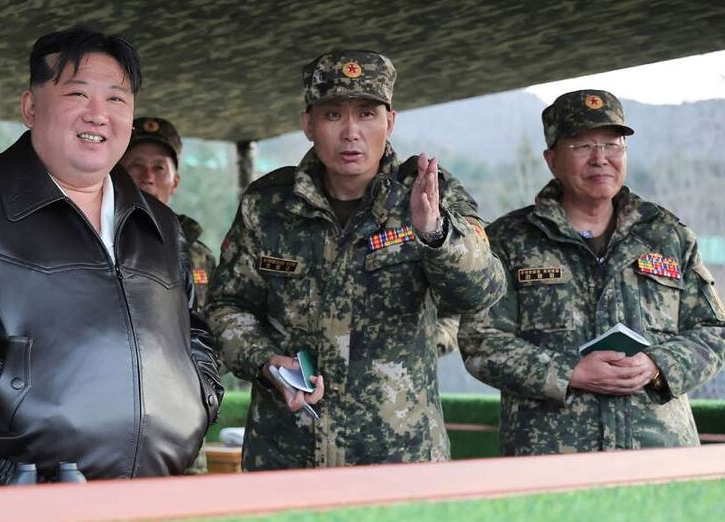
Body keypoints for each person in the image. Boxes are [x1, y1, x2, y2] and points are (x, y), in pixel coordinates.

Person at [0, 26, 222, 487]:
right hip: (9, 489)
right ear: (30, 107)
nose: (99, 115)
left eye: (116, 99)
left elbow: (191, 329)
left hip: (150, 493)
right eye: (78, 94)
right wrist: (4, 392)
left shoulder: (160, 222)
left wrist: (202, 393)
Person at [207, 50, 505, 470]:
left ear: (390, 122)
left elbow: (483, 291)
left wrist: (434, 233)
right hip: (287, 455)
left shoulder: (430, 193)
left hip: (400, 460)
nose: (351, 133)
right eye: (333, 115)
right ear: (308, 124)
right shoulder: (268, 205)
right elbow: (227, 307)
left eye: (367, 114)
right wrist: (266, 360)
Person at [459, 89, 725, 455]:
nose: (600, 159)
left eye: (613, 145)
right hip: (551, 455)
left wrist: (657, 365)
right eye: (582, 146)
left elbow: (714, 331)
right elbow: (480, 341)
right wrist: (570, 372)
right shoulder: (509, 240)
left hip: (658, 454)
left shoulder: (667, 236)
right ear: (551, 160)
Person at [121, 116, 217, 316]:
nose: (148, 177)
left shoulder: (199, 256)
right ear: (117, 176)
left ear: (175, 183)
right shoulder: (101, 242)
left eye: (159, 168)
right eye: (136, 165)